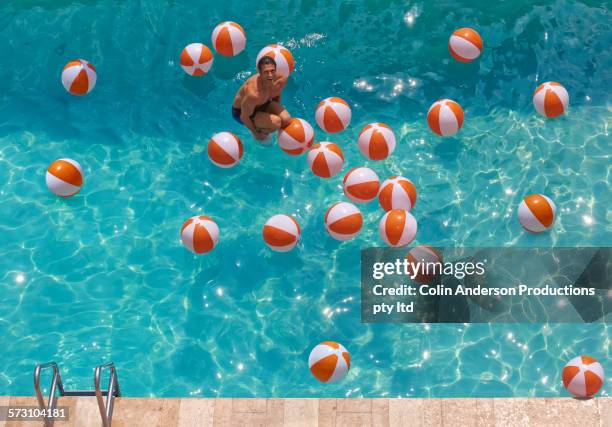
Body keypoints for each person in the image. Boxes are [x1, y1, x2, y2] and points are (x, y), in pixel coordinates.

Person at [232, 56, 292, 141]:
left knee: (286, 120)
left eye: (272, 71)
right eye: (266, 72)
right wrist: (255, 133)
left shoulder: (281, 80)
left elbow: (276, 95)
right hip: (243, 112)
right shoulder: (253, 93)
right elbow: (244, 117)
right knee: (276, 123)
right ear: (259, 72)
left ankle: (265, 124)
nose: (270, 75)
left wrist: (273, 113)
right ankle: (260, 131)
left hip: (263, 102)